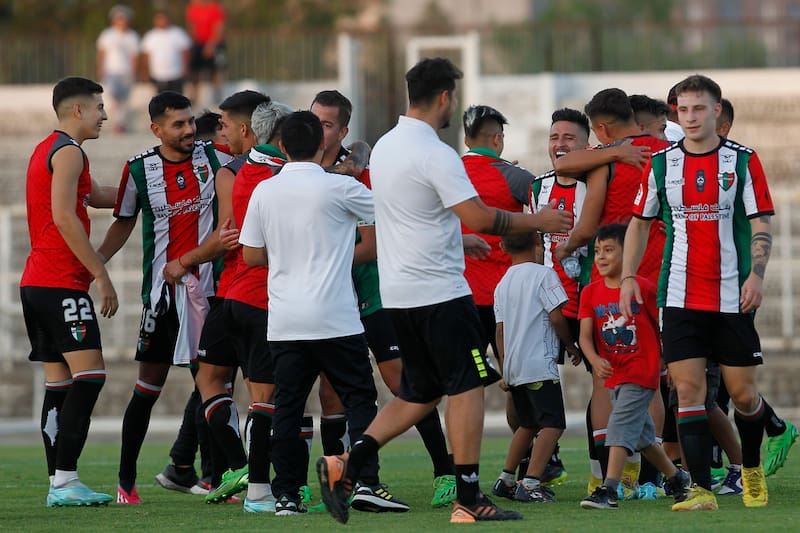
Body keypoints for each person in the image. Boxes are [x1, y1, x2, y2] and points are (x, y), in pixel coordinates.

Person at [316, 57, 571, 525]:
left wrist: (457, 239)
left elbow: (413, 213)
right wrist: (540, 220)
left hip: (400, 294)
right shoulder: (436, 153)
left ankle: (346, 465)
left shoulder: (387, 146)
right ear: (445, 97)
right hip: (439, 292)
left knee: (419, 394)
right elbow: (479, 215)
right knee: (468, 387)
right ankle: (469, 497)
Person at [620, 74, 787, 510]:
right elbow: (638, 224)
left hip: (732, 296)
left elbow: (761, 222)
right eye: (683, 109)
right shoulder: (662, 163)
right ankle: (701, 490)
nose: (690, 117)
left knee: (743, 395)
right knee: (687, 391)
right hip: (677, 296)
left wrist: (757, 276)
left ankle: (750, 468)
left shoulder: (743, 160)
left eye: (698, 108)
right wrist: (626, 277)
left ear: (716, 110)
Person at [310, 89, 453, 511]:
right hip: (330, 299)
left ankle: (445, 473)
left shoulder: (363, 174)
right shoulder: (301, 171)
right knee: (331, 394)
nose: (318, 130)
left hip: (374, 294)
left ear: (343, 131)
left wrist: (326, 261)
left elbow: (372, 244)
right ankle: (340, 481)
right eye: (314, 121)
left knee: (402, 382)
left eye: (327, 124)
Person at [238, 111, 382, 516]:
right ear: (322, 143)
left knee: (288, 407)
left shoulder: (265, 190)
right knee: (359, 400)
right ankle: (365, 482)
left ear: (282, 145)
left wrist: (288, 253)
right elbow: (388, 212)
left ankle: (287, 494)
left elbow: (250, 255)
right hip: (336, 316)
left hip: (287, 320)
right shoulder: (340, 186)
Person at [97, 91, 231, 504]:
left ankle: (220, 479)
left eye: (190, 121)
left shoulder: (215, 158)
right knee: (147, 389)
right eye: (179, 124)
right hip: (162, 297)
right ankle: (126, 483)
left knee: (213, 389)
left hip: (210, 295)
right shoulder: (138, 169)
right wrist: (95, 264)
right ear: (157, 129)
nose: (189, 129)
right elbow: (123, 222)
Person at [21, 76, 118, 507]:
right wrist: (101, 274)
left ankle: (59, 482)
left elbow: (95, 196)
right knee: (91, 377)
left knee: (59, 384)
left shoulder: (50, 148)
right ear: (78, 110)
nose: (105, 115)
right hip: (60, 282)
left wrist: (143, 193)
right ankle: (64, 478)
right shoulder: (69, 152)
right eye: (99, 107)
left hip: (36, 284)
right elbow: (64, 217)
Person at [578, 224, 691, 510]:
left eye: (609, 250)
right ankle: (677, 479)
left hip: (642, 371)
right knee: (642, 437)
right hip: (614, 374)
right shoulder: (590, 293)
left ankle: (609, 489)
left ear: (628, 253)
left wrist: (671, 362)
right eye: (597, 251)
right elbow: (584, 336)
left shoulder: (645, 288)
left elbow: (664, 327)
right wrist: (594, 359)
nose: (601, 257)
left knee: (619, 425)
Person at [194, 90, 270, 505]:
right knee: (268, 393)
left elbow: (227, 236)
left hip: (238, 290)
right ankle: (262, 478)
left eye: (223, 124)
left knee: (214, 380)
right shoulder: (293, 166)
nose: (219, 131)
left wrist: (184, 260)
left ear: (244, 128)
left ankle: (247, 472)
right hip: (275, 293)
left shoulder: (233, 173)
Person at [219, 99, 293, 513]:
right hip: (260, 296)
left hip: (239, 296)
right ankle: (259, 492)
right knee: (266, 400)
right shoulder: (276, 175)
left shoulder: (246, 169)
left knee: (264, 397)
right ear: (283, 137)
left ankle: (273, 485)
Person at [491, 231, 581, 504]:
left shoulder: (502, 283)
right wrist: (570, 345)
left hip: (515, 366)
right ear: (538, 245)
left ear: (504, 247)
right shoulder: (544, 275)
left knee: (528, 424)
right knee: (553, 424)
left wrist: (506, 366)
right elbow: (556, 316)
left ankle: (506, 479)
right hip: (539, 364)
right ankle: (530, 483)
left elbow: (500, 330)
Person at [529, 107, 590, 488]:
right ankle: (539, 463)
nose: (560, 144)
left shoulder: (595, 184)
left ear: (586, 144)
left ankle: (616, 471)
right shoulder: (538, 187)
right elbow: (536, 246)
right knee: (532, 389)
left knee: (611, 383)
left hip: (590, 301)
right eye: (554, 137)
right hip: (548, 304)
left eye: (569, 137)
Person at [96, 5, 139, 133]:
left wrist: (134, 71)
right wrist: (100, 68)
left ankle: (120, 124)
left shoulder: (132, 36)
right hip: (111, 71)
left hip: (126, 71)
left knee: (124, 100)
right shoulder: (107, 35)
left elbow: (135, 56)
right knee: (113, 97)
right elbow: (102, 53)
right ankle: (118, 122)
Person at [140, 10, 192, 94]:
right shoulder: (150, 36)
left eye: (163, 19)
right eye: (159, 19)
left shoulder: (178, 33)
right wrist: (145, 71)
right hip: (157, 74)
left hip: (176, 73)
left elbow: (185, 52)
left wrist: (185, 68)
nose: (162, 21)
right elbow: (146, 55)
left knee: (176, 98)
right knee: (160, 98)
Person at [186, 0, 226, 106]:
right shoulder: (193, 9)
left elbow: (218, 27)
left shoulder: (215, 8)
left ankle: (218, 97)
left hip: (214, 42)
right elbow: (191, 26)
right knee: (195, 71)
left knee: (216, 70)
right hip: (198, 43)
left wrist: (211, 44)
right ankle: (194, 97)